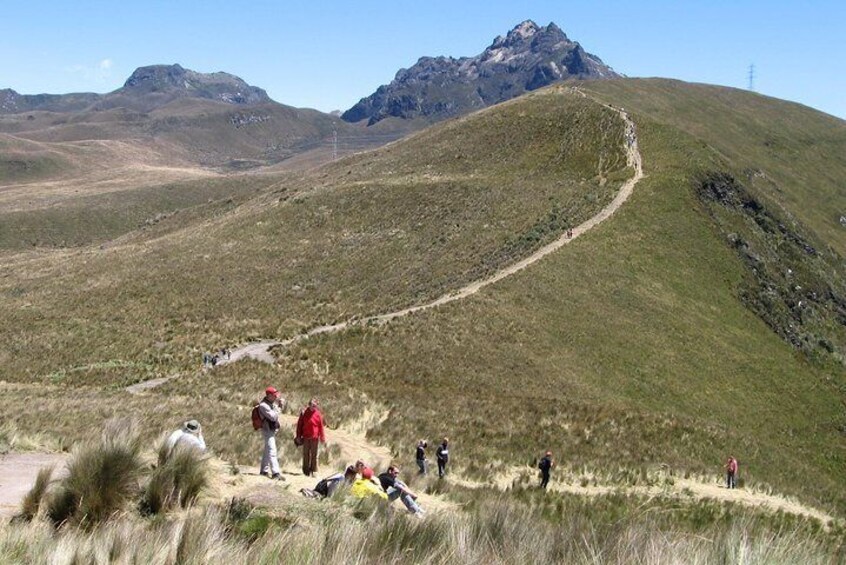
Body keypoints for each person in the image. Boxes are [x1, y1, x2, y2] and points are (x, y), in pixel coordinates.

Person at [258, 386, 286, 480]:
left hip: (271, 430)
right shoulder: (263, 406)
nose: (276, 397)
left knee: (267, 451)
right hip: (267, 430)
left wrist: (279, 406)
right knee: (272, 451)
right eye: (274, 396)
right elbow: (273, 417)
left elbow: (276, 414)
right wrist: (279, 407)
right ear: (269, 395)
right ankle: (275, 473)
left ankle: (263, 471)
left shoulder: (270, 404)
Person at [296, 398, 326, 477]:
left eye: (315, 406)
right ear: (309, 405)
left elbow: (321, 426)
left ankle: (313, 470)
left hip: (315, 437)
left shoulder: (318, 414)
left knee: (314, 454)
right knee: (306, 454)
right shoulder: (304, 413)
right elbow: (299, 425)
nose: (314, 407)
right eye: (312, 405)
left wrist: (322, 437)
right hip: (306, 436)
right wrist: (298, 436)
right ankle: (306, 471)